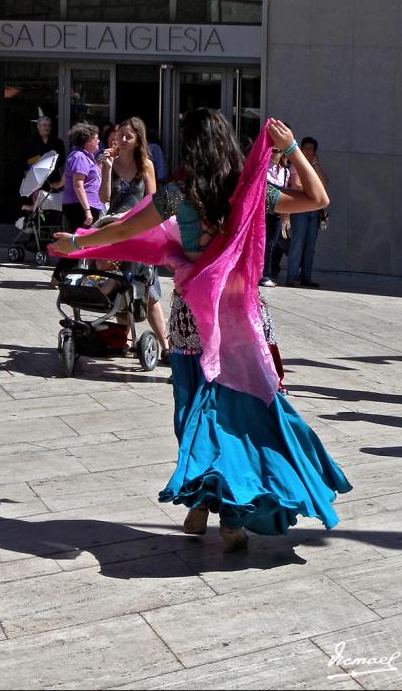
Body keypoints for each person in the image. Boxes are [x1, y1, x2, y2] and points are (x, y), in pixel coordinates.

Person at [51, 109, 351, 552]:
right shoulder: (251, 195)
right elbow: (317, 198)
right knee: (240, 415)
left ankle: (203, 504)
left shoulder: (177, 195)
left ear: (190, 147)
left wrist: (75, 244)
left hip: (192, 318)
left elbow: (122, 231)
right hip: (242, 322)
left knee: (193, 412)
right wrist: (289, 148)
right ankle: (228, 514)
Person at [98, 117, 171, 361]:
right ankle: (124, 337)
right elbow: (104, 197)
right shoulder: (110, 162)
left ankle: (165, 346)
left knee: (149, 292)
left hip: (141, 231)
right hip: (116, 229)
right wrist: (107, 168)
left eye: (129, 136)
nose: (124, 140)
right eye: (120, 135)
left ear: (139, 138)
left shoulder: (146, 165)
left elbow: (153, 200)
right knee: (121, 283)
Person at [51, 122, 103, 285]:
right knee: (77, 243)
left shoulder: (83, 156)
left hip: (83, 205)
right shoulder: (80, 156)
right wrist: (87, 210)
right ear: (86, 141)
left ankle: (62, 276)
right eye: (95, 139)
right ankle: (58, 277)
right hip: (80, 206)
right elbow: (78, 183)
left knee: (80, 243)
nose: (98, 141)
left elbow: (66, 178)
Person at [285, 136, 328, 288]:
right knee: (297, 242)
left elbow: (324, 184)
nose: (307, 152)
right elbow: (296, 185)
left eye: (310, 149)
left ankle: (306, 277)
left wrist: (315, 164)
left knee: (310, 245)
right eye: (305, 148)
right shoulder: (297, 165)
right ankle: (291, 277)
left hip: (314, 211)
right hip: (300, 209)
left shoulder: (313, 167)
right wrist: (314, 190)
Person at [261, 142, 293, 287]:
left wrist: (287, 214)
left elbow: (285, 193)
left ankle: (267, 273)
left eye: (279, 151)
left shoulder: (285, 172)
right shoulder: (263, 167)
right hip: (262, 211)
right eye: (274, 150)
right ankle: (262, 274)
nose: (276, 153)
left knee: (272, 243)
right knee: (263, 242)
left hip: (276, 212)